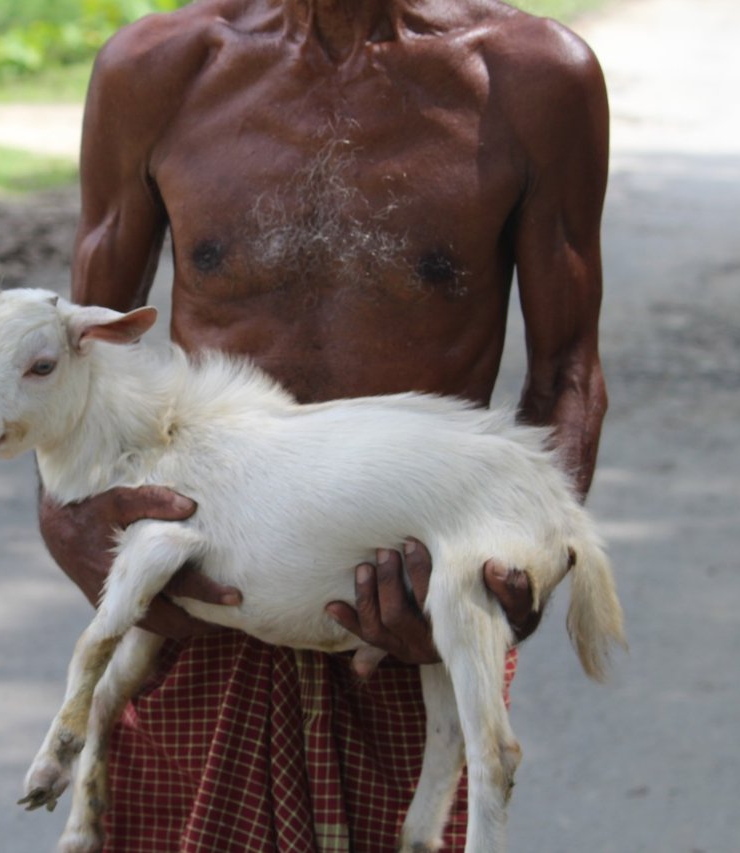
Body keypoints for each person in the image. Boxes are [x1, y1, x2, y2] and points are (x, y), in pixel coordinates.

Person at [38, 0, 609, 850]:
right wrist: (69, 523)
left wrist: (513, 573)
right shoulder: (157, 69)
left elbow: (567, 370)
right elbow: (79, 348)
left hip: (402, 620)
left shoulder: (530, 80)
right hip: (197, 605)